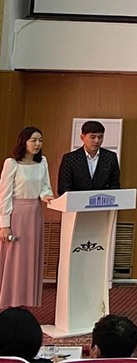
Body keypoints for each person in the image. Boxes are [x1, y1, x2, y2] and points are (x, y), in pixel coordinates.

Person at [0, 127, 54, 309]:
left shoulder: (42, 162)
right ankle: (8, 301)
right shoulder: (12, 164)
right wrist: (4, 225)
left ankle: (25, 301)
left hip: (35, 214)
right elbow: (4, 195)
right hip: (17, 215)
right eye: (33, 140)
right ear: (24, 142)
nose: (37, 144)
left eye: (40, 140)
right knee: (14, 256)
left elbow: (45, 187)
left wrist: (46, 196)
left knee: (30, 257)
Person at [57, 120, 120, 195]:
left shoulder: (110, 157)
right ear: (82, 137)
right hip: (77, 200)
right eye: (92, 137)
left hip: (103, 200)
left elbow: (115, 185)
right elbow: (63, 188)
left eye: (100, 137)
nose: (97, 141)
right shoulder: (70, 159)